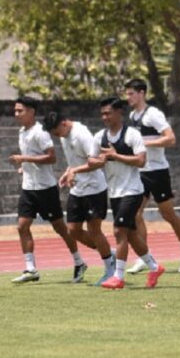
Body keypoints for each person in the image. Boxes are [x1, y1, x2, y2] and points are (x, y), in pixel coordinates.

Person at [10, 96, 88, 284]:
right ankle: (30, 269)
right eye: (15, 110)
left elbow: (51, 158)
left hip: (45, 188)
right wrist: (24, 166)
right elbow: (33, 157)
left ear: (31, 112)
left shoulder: (40, 132)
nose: (16, 114)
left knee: (60, 228)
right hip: (28, 187)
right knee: (22, 226)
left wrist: (25, 159)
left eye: (20, 110)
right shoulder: (22, 131)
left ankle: (79, 262)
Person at [90, 98, 166, 290]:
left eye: (108, 113)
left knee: (118, 230)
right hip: (114, 191)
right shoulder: (99, 137)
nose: (104, 117)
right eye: (102, 114)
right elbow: (92, 161)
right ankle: (154, 267)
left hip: (132, 190)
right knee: (130, 235)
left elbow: (141, 161)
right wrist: (101, 160)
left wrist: (115, 156)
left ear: (119, 113)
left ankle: (118, 276)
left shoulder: (132, 134)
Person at [123, 79, 180, 274]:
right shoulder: (132, 116)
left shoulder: (153, 114)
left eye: (131, 93)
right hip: (140, 172)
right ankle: (144, 256)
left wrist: (146, 144)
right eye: (127, 94)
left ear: (141, 93)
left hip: (157, 172)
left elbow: (170, 138)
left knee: (168, 214)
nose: (128, 97)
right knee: (136, 214)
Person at [44, 111, 117, 287]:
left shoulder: (82, 135)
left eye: (55, 132)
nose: (55, 137)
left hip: (94, 189)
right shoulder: (64, 137)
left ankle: (110, 269)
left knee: (94, 230)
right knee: (73, 230)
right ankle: (109, 253)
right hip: (78, 189)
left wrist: (75, 171)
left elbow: (99, 162)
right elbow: (75, 161)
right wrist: (68, 172)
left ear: (63, 124)